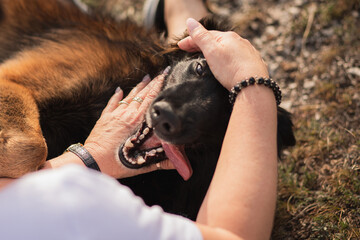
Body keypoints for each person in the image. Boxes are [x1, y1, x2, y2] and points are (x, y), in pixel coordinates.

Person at [0, 1, 277, 239]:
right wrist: (252, 83)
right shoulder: (90, 215)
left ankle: (188, 20)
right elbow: (234, 235)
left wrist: (90, 158)